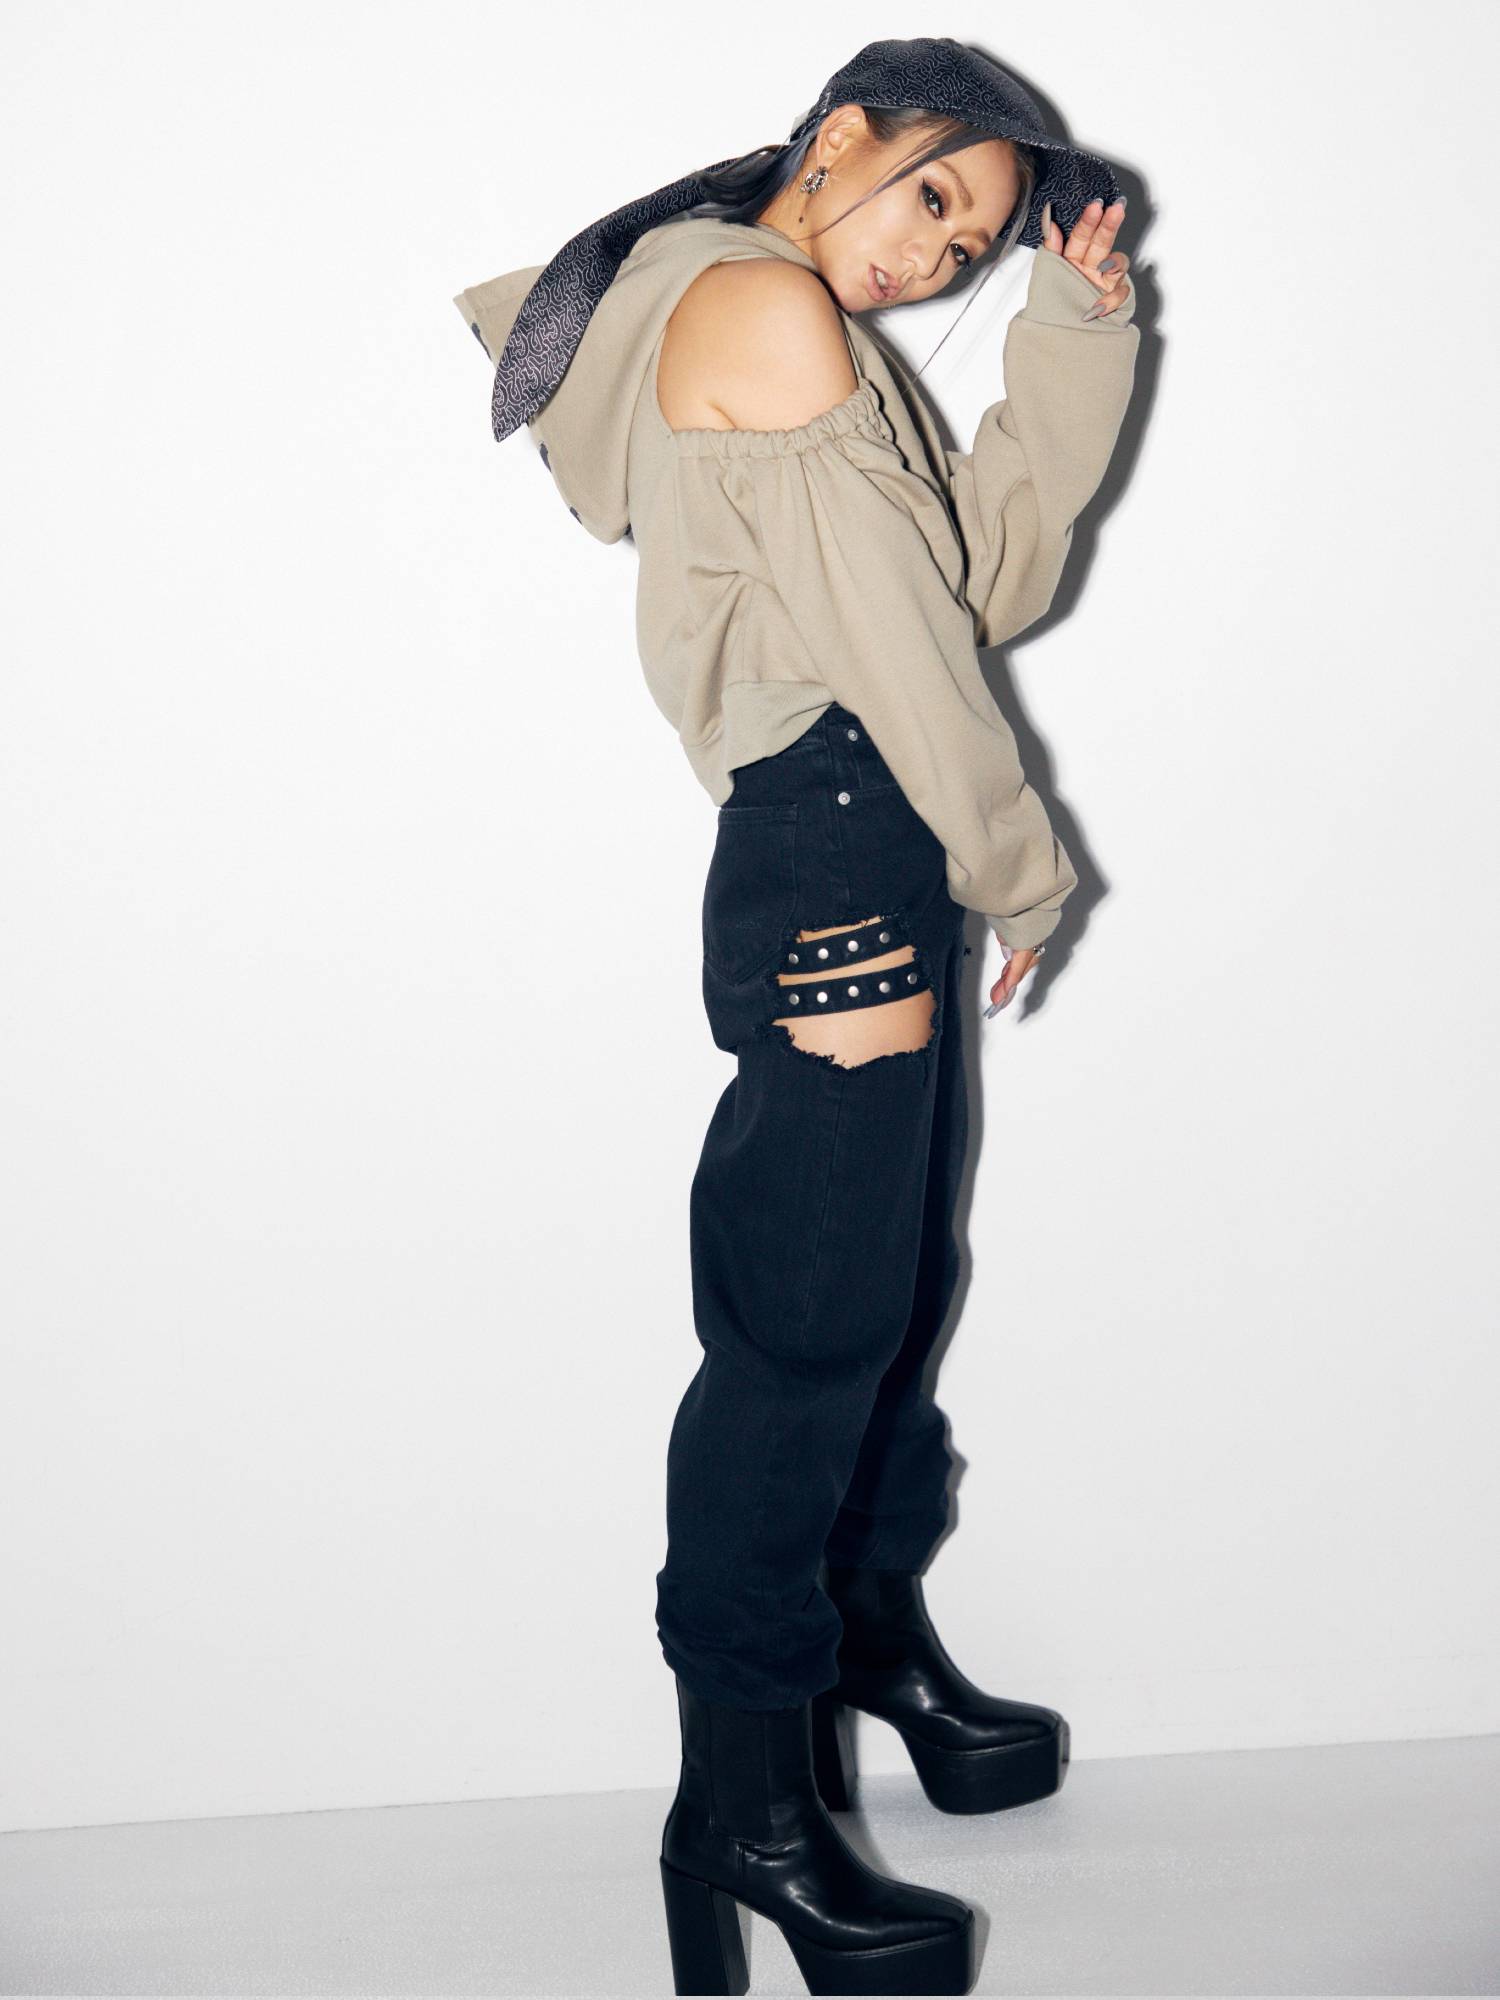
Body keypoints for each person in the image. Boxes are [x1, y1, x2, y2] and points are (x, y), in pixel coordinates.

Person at [455, 36, 1140, 1996]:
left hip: (872, 833)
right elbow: (913, 657)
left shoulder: (802, 322)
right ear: (839, 136)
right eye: (932, 196)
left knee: (886, 1290)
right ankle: (745, 1811)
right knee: (801, 1339)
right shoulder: (756, 306)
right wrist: (1021, 861)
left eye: (971, 247)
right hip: (846, 834)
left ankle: (866, 1647)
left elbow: (978, 577)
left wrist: (1075, 333)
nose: (935, 257)